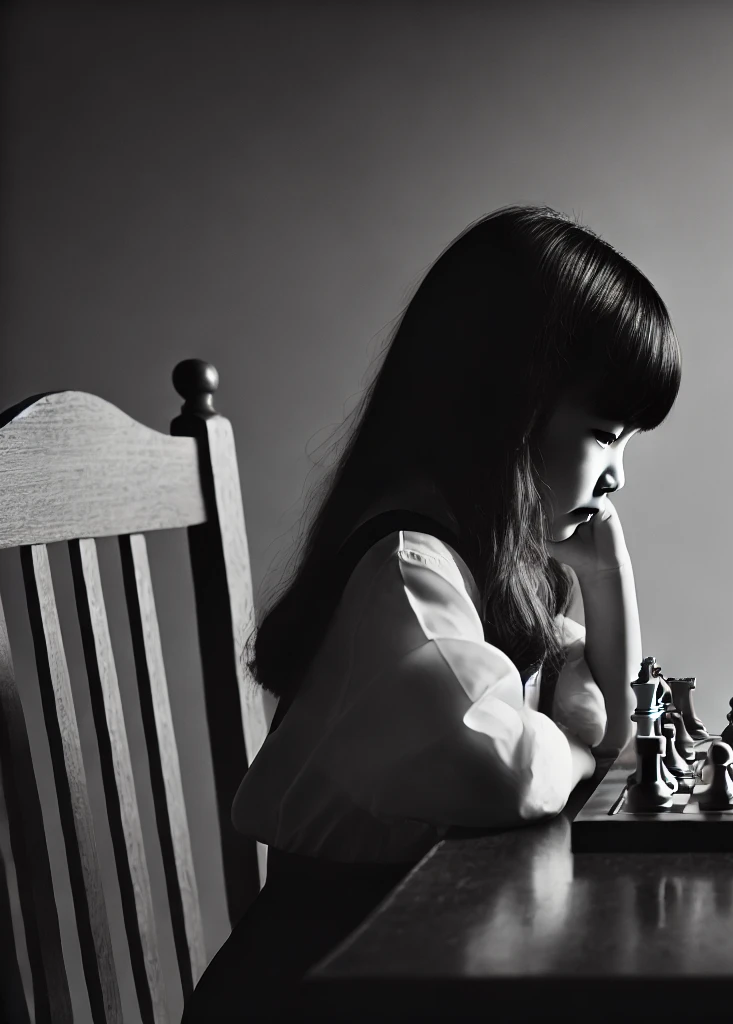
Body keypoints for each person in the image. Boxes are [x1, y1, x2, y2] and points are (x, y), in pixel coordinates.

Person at [184, 206, 680, 1021]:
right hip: (318, 979)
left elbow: (614, 727)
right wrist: (582, 753)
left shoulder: (481, 569)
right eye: (605, 434)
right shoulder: (406, 574)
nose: (619, 473)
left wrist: (607, 580)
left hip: (410, 958)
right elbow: (502, 767)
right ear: (506, 407)